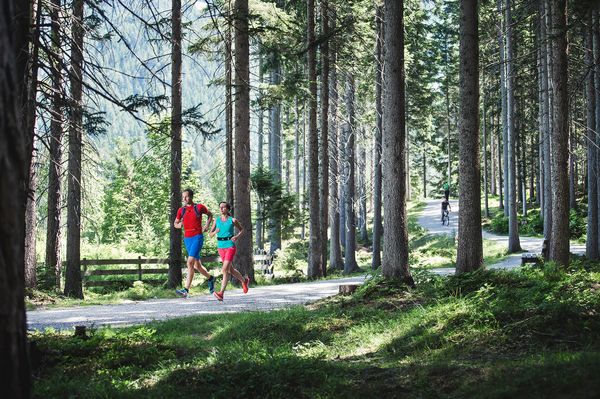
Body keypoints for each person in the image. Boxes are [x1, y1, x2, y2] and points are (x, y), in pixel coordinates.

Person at [173, 188, 215, 298]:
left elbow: (210, 215)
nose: (184, 199)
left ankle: (186, 290)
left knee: (190, 262)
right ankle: (211, 278)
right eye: (183, 197)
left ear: (191, 196)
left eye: (186, 196)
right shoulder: (181, 210)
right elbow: (175, 224)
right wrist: (180, 225)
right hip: (187, 238)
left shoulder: (199, 207)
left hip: (197, 237)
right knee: (197, 265)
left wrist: (206, 226)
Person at [209, 201, 249, 301]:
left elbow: (242, 230)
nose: (221, 209)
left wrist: (236, 237)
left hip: (230, 246)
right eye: (220, 207)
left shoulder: (232, 220)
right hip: (220, 247)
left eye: (223, 207)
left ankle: (221, 293)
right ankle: (244, 280)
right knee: (230, 270)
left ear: (227, 209)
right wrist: (215, 232)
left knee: (224, 269)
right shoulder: (216, 220)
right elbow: (210, 235)